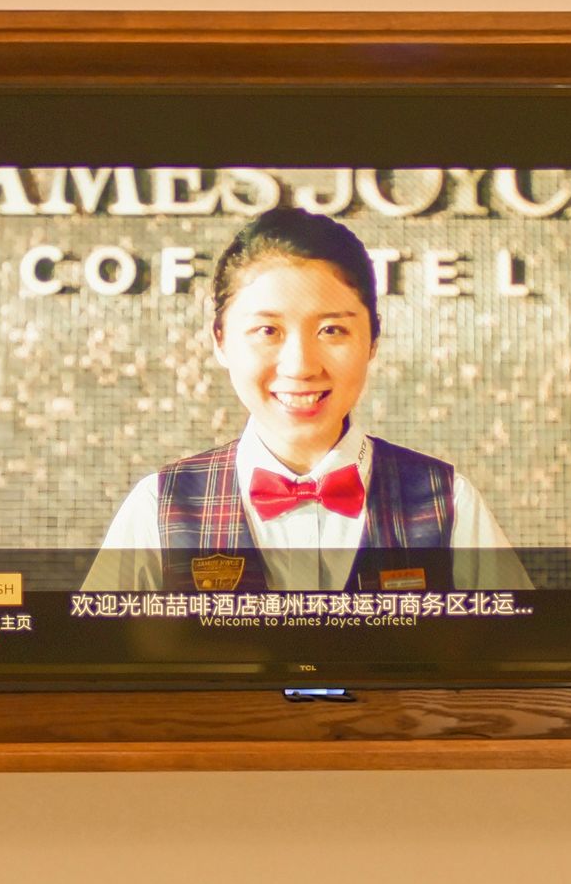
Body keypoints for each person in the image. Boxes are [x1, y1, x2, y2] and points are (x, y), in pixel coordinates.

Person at [83, 208, 528, 595]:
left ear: (373, 340)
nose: (300, 366)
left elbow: (520, 655)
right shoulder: (159, 506)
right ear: (220, 341)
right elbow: (96, 661)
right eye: (268, 331)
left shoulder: (447, 501)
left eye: (331, 330)